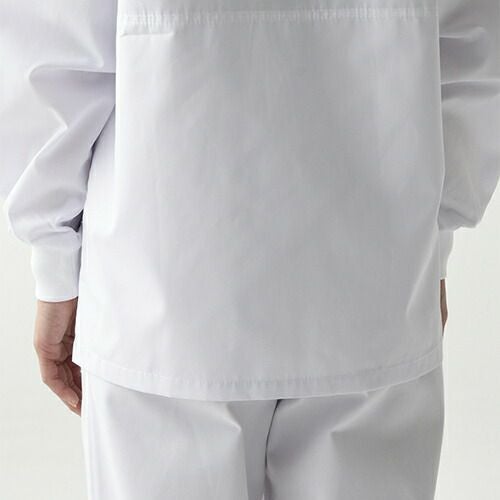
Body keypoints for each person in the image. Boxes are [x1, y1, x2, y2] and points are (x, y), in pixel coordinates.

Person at [0, 1, 498, 499]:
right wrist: (434, 235)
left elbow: (57, 37)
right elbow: (475, 36)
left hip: (163, 277)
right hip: (374, 263)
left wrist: (55, 257)